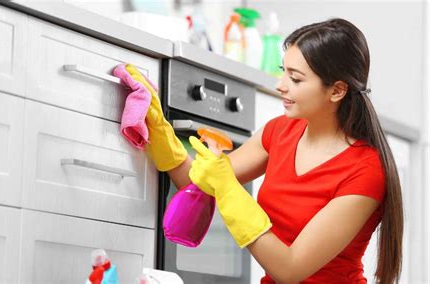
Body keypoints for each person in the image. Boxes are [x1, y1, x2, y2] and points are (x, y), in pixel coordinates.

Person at [123, 17, 403, 284]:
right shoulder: (280, 131)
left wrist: (229, 189)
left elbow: (290, 269)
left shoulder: (365, 171)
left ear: (337, 91)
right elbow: (197, 184)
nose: (281, 86)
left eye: (296, 79)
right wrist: (158, 129)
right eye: (284, 73)